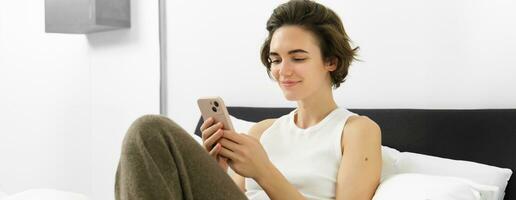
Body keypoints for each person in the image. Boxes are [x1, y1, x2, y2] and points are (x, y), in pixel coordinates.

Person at [114, 0, 382, 199]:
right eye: (275, 59)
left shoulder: (357, 131)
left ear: (331, 61)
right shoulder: (262, 131)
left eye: (298, 58)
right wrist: (213, 168)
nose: (283, 70)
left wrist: (263, 171)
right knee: (145, 138)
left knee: (150, 129)